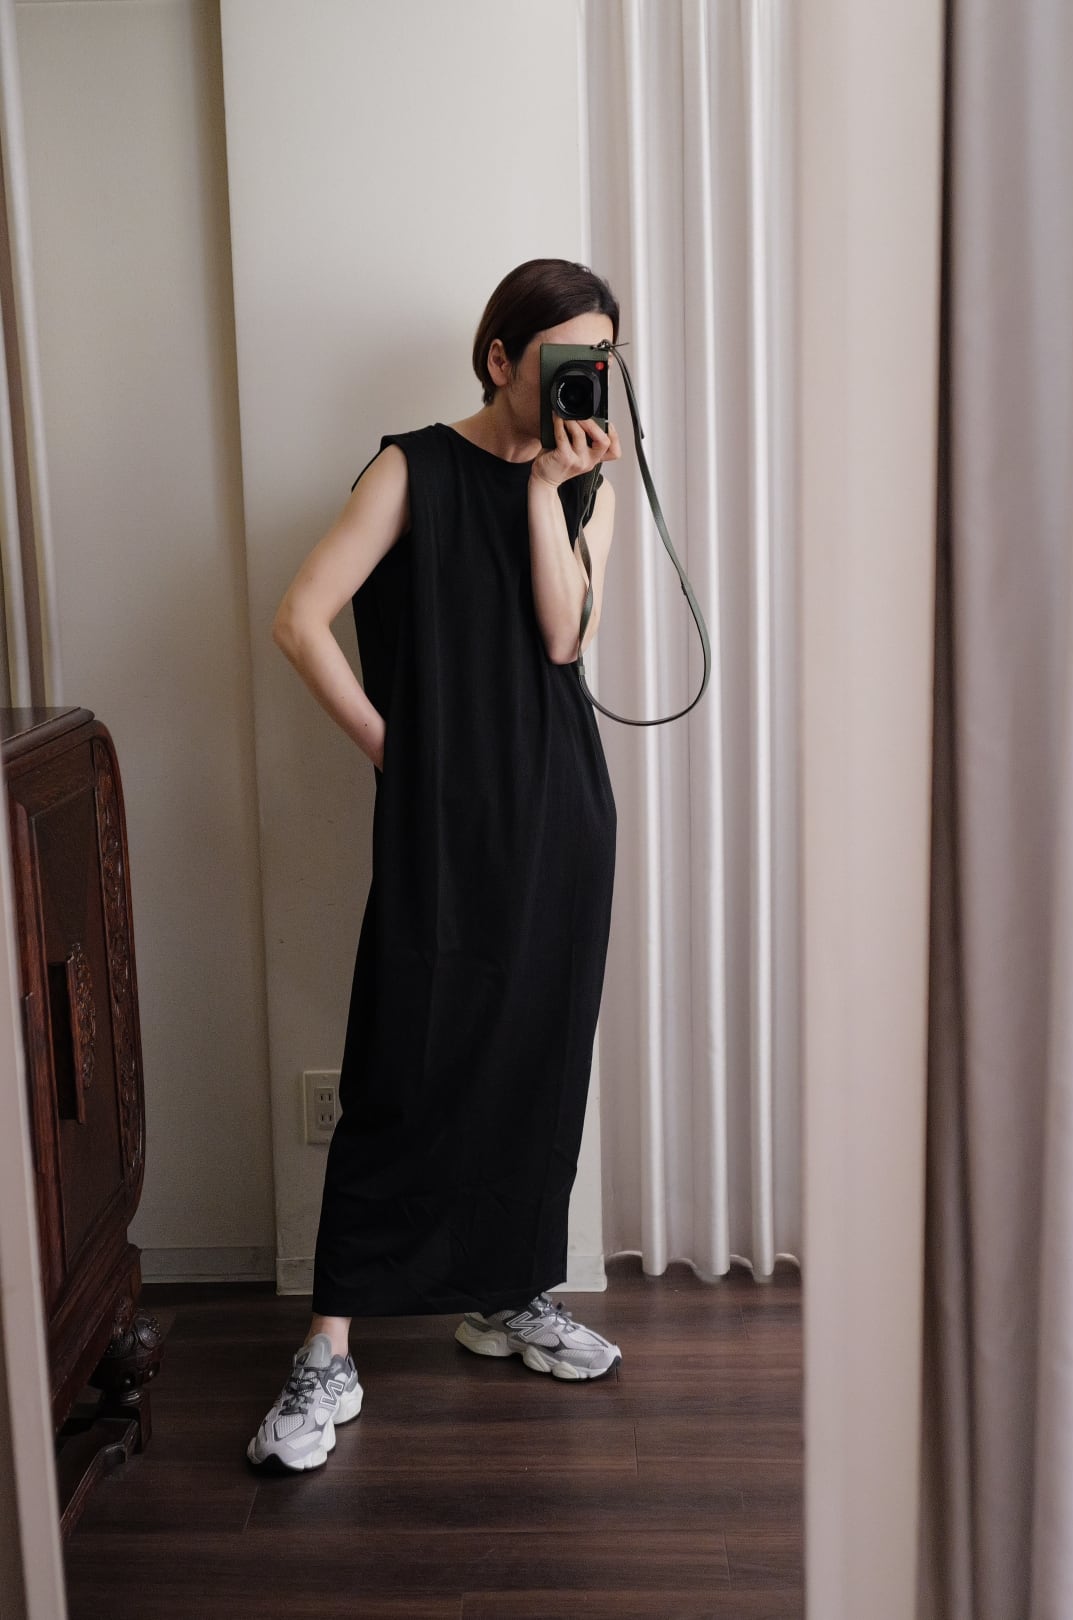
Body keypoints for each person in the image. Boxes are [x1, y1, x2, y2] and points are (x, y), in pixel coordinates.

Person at [248, 259, 624, 1473]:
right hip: (442, 816)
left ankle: (507, 1295)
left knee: (539, 1056)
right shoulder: (411, 467)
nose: (582, 379)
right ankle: (329, 1348)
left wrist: (556, 489)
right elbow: (301, 617)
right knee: (402, 1056)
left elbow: (564, 637)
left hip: (562, 808)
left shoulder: (588, 480)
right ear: (501, 356)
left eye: (600, 360)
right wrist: (389, 749)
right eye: (564, 357)